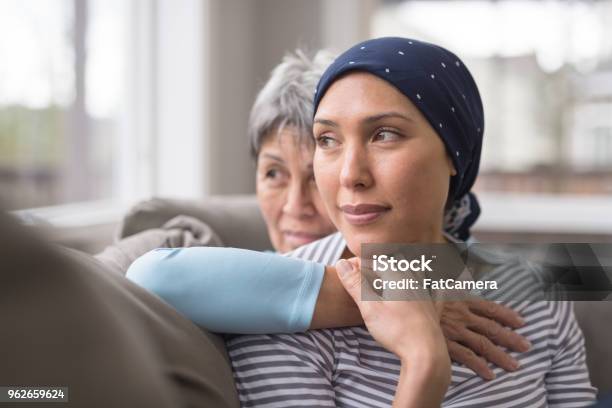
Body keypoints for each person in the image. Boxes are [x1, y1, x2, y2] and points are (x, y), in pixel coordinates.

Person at [221, 37, 596, 406]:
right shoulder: (276, 309)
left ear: (453, 153)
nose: (350, 175)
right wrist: (423, 367)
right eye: (328, 139)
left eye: (384, 134)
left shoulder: (535, 290)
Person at [128, 49, 530, 381]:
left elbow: (575, 274)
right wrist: (400, 289)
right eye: (273, 173)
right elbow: (150, 277)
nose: (295, 205)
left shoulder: (478, 271)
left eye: (383, 137)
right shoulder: (249, 285)